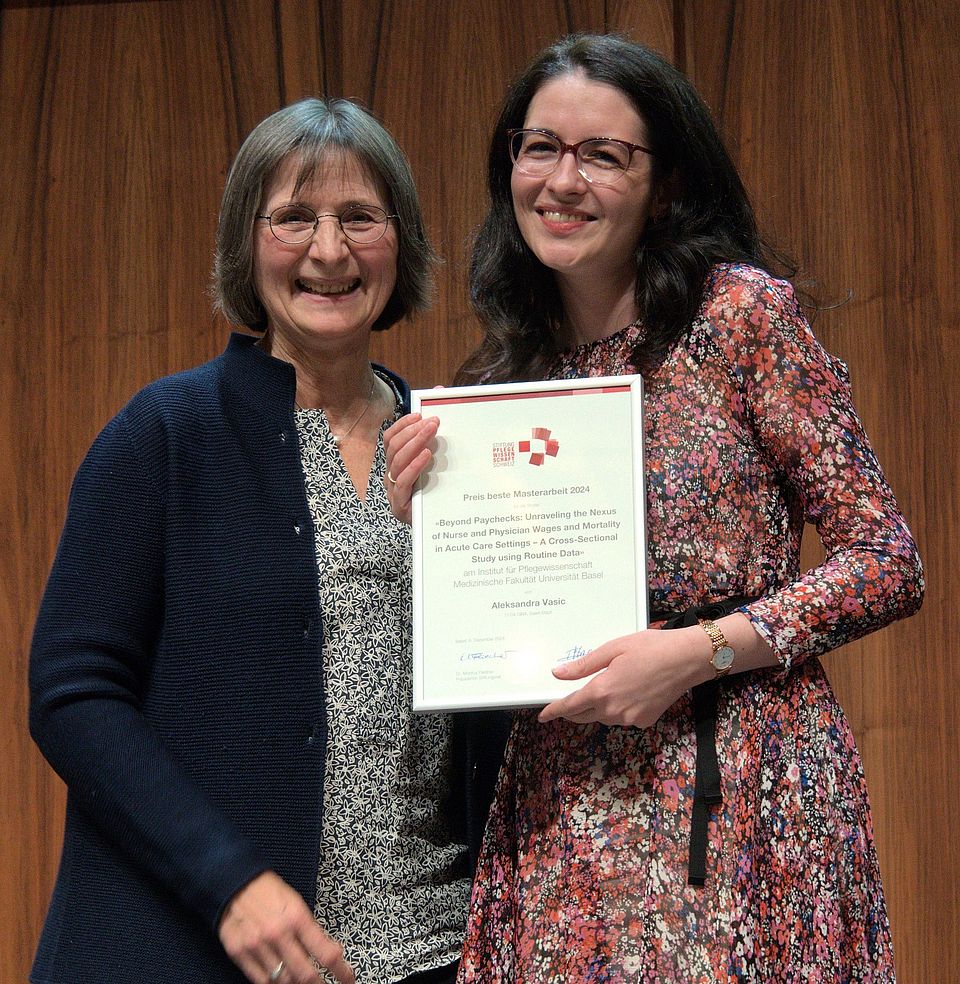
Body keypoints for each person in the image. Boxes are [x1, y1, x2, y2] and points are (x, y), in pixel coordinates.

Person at [384, 34, 923, 982]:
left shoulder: (738, 317)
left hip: (741, 784)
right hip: (567, 806)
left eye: (603, 154)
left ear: (664, 184)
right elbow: (509, 626)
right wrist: (430, 533)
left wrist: (697, 651)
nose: (563, 181)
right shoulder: (508, 373)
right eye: (540, 147)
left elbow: (886, 562)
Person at [29, 97, 506, 984]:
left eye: (360, 217)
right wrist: (229, 883)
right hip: (209, 944)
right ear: (247, 245)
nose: (329, 251)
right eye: (294, 218)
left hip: (429, 947)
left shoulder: (455, 446)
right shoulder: (166, 433)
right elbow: (72, 693)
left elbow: (499, 688)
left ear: (399, 242)